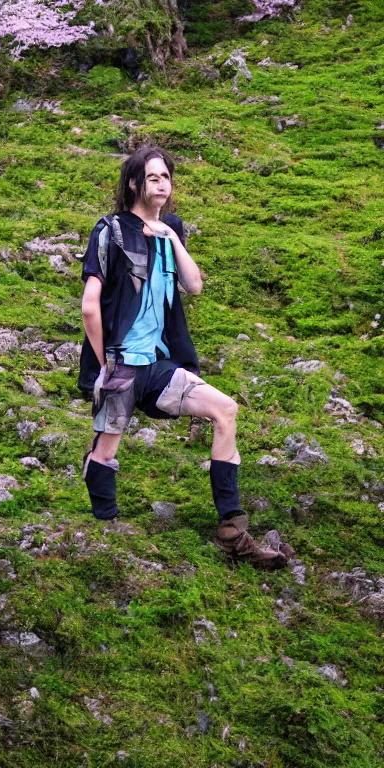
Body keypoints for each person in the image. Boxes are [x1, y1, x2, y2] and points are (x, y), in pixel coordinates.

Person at [78, 146, 291, 569]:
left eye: (166, 177)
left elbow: (193, 285)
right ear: (135, 183)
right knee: (105, 451)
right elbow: (90, 305)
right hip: (121, 362)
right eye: (152, 176)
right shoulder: (111, 230)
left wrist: (170, 235)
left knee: (225, 409)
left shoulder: (172, 228)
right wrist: (106, 365)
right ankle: (105, 529)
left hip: (159, 365)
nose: (162, 183)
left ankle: (232, 530)